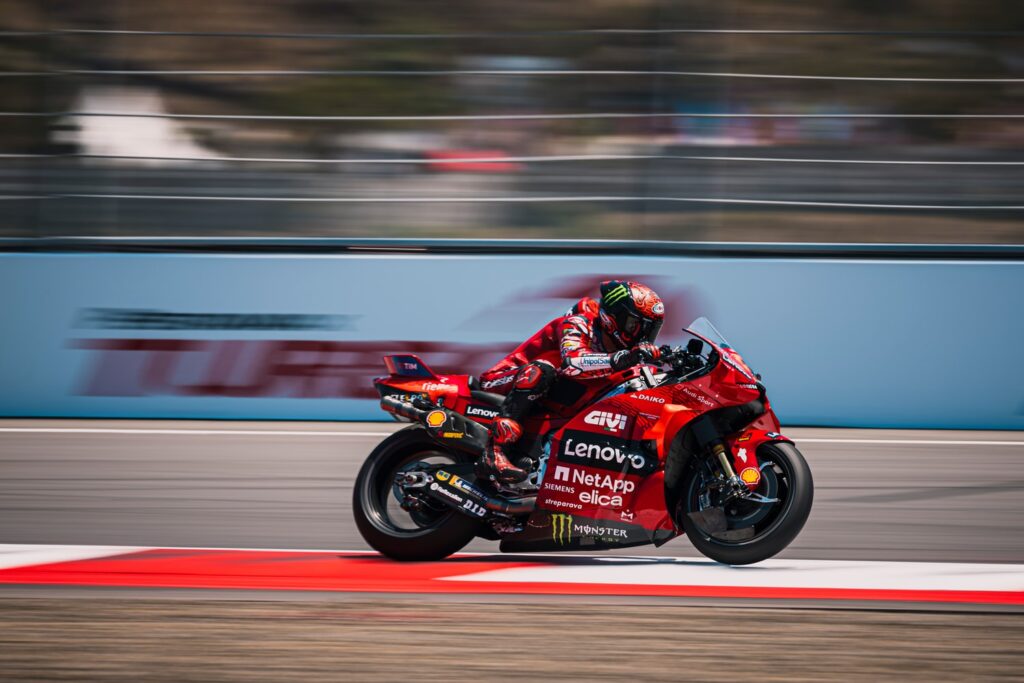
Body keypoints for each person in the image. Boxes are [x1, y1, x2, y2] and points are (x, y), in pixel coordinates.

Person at [476, 280, 665, 484]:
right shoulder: (579, 322)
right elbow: (572, 363)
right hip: (503, 378)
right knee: (541, 370)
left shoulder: (624, 351)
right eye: (636, 326)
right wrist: (621, 359)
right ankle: (495, 451)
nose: (643, 336)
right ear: (614, 317)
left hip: (552, 397)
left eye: (650, 330)